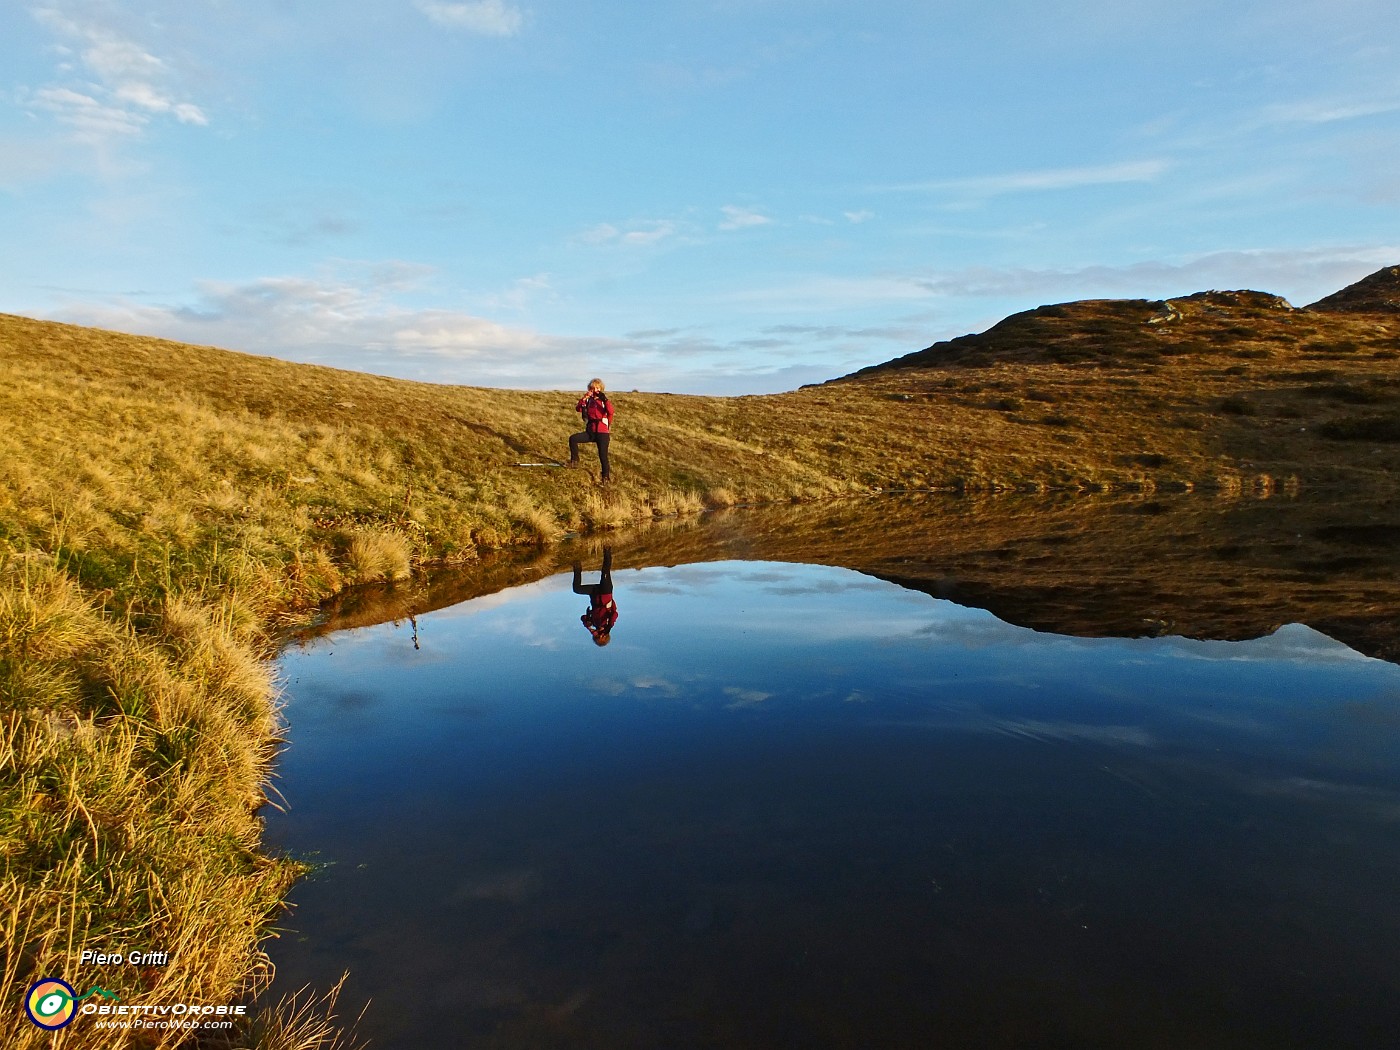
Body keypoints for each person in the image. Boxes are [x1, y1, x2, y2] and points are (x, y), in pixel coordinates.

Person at [568, 378, 613, 482]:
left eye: (597, 388)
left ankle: (605, 477)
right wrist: (585, 398)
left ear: (601, 389)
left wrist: (605, 400)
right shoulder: (588, 400)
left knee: (603, 456)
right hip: (591, 431)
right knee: (573, 439)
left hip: (602, 433)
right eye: (592, 388)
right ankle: (574, 461)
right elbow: (578, 408)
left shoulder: (603, 401)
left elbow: (611, 411)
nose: (595, 390)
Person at [573, 547, 618, 646]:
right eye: (601, 636)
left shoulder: (594, 622)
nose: (599, 635)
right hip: (605, 592)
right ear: (605, 636)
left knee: (577, 589)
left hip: (594, 594)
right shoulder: (608, 624)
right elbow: (615, 614)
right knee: (605, 572)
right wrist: (608, 628)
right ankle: (607, 549)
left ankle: (576, 565)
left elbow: (583, 617)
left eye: (597, 636)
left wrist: (589, 627)